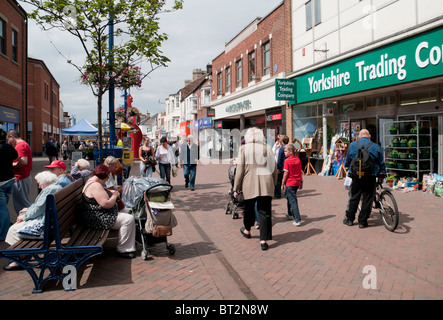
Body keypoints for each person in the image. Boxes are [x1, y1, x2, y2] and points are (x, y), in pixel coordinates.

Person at [3, 171, 62, 270]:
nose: (39, 186)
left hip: (44, 227)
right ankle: (21, 255)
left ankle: (19, 259)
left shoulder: (49, 190)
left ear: (45, 181)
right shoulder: (56, 187)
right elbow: (39, 207)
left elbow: (38, 210)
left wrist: (24, 216)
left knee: (13, 230)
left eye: (39, 183)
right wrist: (28, 210)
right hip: (51, 224)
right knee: (15, 227)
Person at [233, 127, 277, 251]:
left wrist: (236, 187)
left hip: (249, 183)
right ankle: (263, 240)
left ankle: (247, 230)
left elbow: (240, 170)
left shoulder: (243, 149)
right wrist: (274, 182)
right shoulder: (267, 148)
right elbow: (274, 167)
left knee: (248, 209)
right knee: (265, 212)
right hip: (266, 183)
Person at [82, 164, 136, 259]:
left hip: (95, 214)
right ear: (103, 176)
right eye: (107, 178)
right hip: (98, 218)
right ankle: (123, 249)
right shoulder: (95, 185)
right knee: (128, 219)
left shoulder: (92, 182)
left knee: (129, 211)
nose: (107, 180)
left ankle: (129, 240)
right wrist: (114, 196)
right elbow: (106, 204)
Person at [343, 129, 386, 229]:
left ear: (359, 136)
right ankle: (362, 222)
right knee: (367, 199)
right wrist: (382, 174)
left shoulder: (353, 145)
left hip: (356, 176)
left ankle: (349, 219)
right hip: (370, 176)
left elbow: (348, 161)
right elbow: (381, 163)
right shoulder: (375, 146)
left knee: (354, 197)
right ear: (369, 136)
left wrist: (349, 170)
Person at [7, 130, 33, 215]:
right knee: (22, 202)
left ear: (12, 137)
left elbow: (23, 161)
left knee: (21, 204)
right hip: (23, 176)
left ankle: (26, 222)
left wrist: (11, 165)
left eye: (8, 139)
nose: (9, 142)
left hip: (21, 177)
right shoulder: (23, 144)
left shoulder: (20, 145)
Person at [0, 128, 19, 241]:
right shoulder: (8, 147)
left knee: (2, 209)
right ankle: (4, 227)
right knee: (3, 207)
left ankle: (3, 234)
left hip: (1, 182)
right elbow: (16, 157)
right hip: (10, 180)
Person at [281, 144, 303, 226]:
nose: (284, 153)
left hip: (290, 183)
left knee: (293, 200)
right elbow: (300, 172)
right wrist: (301, 182)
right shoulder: (298, 160)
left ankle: (297, 219)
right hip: (296, 182)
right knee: (288, 196)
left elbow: (285, 174)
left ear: (291, 152)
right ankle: (290, 213)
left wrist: (282, 184)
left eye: (286, 151)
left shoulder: (287, 161)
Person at [275, 135, 289, 199]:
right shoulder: (290, 148)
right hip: (289, 167)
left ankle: (277, 194)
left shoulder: (281, 149)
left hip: (282, 167)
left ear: (282, 142)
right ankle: (287, 194)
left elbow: (279, 159)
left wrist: (278, 167)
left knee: (278, 181)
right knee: (287, 181)